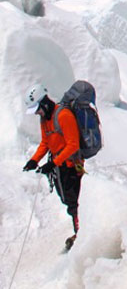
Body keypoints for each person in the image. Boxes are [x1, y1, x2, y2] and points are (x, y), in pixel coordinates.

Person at [22, 83, 83, 249]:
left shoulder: (63, 115)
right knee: (67, 199)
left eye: (37, 109)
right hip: (60, 165)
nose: (36, 113)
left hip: (72, 165)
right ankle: (80, 231)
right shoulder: (45, 120)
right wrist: (34, 160)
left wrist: (52, 163)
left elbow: (73, 145)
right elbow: (45, 142)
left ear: (44, 103)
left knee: (74, 199)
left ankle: (81, 233)